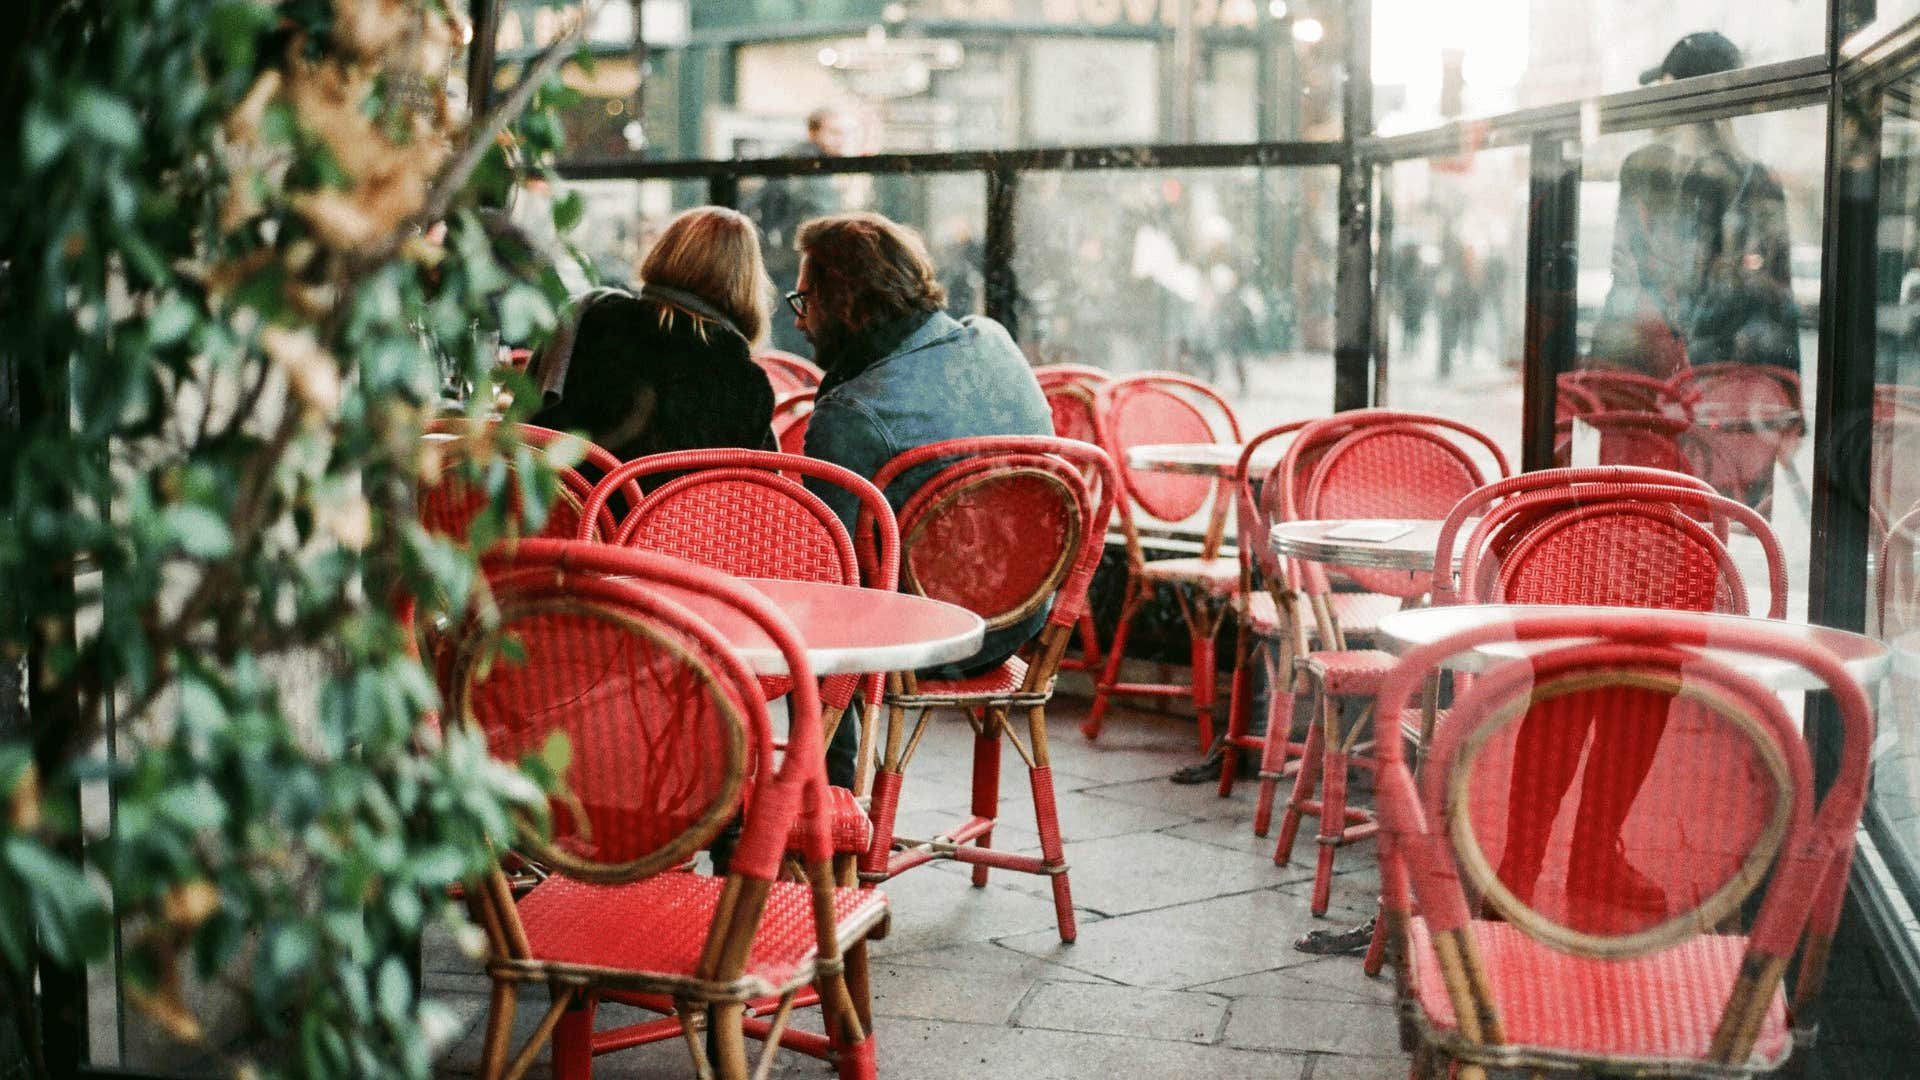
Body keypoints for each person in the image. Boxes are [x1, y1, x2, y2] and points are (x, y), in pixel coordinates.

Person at [792, 211, 1053, 789]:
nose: (801, 320)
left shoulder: (852, 413)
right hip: (1024, 617)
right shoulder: (994, 341)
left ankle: (821, 813)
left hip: (932, 640)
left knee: (806, 619)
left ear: (846, 304)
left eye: (806, 299)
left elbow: (826, 573)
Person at [1588, 31, 1800, 379]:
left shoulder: (1643, 169)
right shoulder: (1760, 181)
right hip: (1728, 376)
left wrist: (1602, 373)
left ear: (1675, 91)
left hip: (1648, 373)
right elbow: (1778, 302)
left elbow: (1627, 275)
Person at [527, 207, 776, 471]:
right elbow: (753, 495)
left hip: (570, 507)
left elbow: (522, 428)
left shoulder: (589, 318)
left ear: (665, 251)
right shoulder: (747, 383)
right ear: (747, 282)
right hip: (673, 513)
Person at [744, 106, 860, 356]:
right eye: (835, 132)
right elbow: (820, 223)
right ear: (813, 133)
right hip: (796, 265)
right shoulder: (810, 168)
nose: (843, 140)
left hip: (784, 262)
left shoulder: (801, 163)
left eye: (848, 133)